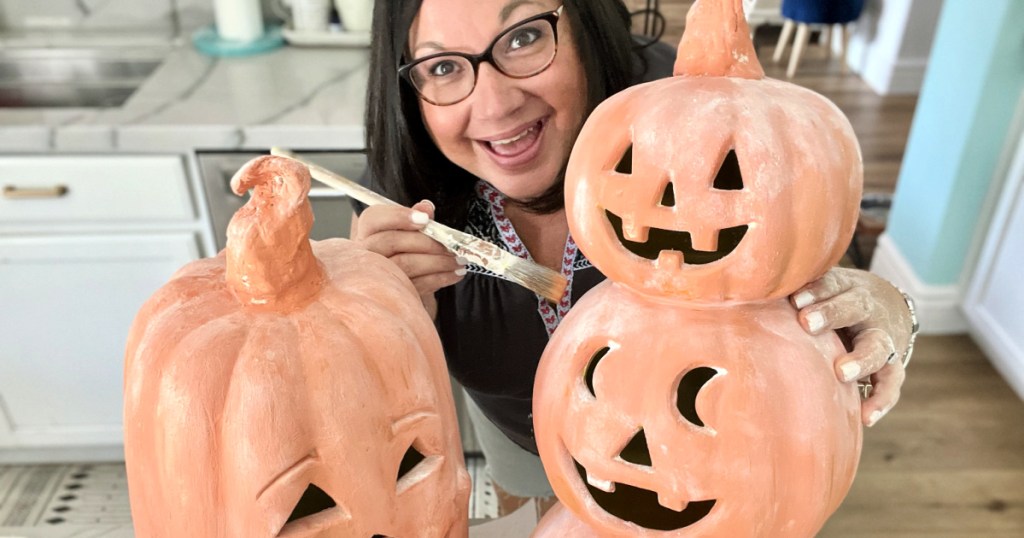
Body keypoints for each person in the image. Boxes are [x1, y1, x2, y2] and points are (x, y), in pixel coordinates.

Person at [350, 0, 915, 515]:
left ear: (585, 22)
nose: (495, 105)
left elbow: (803, 247)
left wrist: (891, 306)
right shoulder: (400, 194)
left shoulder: (684, 113)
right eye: (443, 67)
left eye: (523, 37)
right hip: (514, 428)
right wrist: (383, 320)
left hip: (705, 461)